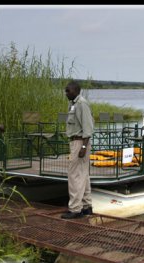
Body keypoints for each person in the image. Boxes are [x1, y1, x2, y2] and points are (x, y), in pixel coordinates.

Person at [61, 81, 95, 219]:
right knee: (83, 175)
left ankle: (75, 209)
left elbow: (88, 128)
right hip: (76, 141)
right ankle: (87, 207)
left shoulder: (81, 104)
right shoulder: (73, 104)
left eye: (68, 91)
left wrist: (83, 147)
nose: (66, 93)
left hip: (80, 142)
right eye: (66, 90)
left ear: (75, 90)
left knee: (74, 176)